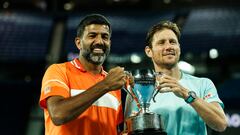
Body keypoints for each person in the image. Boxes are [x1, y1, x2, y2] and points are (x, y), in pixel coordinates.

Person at [125, 21, 227, 135]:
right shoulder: (136, 90)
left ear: (179, 47)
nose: (168, 47)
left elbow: (221, 124)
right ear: (149, 51)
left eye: (172, 42)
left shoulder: (203, 84)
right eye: (161, 43)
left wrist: (186, 94)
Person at [39, 14, 132, 135]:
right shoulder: (58, 71)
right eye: (92, 36)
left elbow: (112, 129)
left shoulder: (114, 85)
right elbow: (58, 114)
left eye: (105, 37)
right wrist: (105, 85)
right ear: (79, 43)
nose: (99, 41)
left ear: (109, 43)